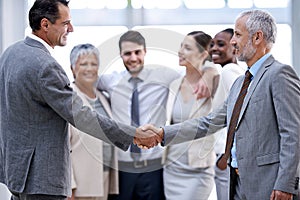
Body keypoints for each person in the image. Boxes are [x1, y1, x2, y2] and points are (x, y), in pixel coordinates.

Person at [0, 1, 159, 200]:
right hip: (42, 180)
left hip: (18, 173)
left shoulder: (10, 53)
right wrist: (133, 134)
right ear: (45, 25)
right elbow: (82, 116)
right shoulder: (46, 66)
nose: (71, 29)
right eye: (66, 23)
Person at [140, 9, 300, 200]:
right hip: (238, 184)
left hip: (269, 185)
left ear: (257, 38)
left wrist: (286, 184)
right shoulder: (240, 83)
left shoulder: (279, 74)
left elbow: (293, 133)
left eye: (238, 35)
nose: (233, 42)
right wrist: (162, 133)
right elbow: (209, 122)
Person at [97, 30, 217, 200]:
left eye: (137, 52)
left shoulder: (165, 76)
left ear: (145, 51)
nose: (133, 58)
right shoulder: (110, 81)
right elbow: (83, 78)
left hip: (154, 168)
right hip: (122, 168)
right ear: (120, 55)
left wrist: (210, 71)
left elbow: (193, 69)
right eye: (127, 54)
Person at [163, 31, 218, 200]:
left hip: (199, 169)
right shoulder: (173, 84)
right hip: (172, 167)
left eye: (187, 48)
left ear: (203, 54)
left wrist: (210, 71)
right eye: (181, 46)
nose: (180, 51)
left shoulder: (214, 81)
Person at [68, 44, 119, 200]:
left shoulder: (103, 97)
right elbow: (61, 147)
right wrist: (69, 186)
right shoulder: (67, 99)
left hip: (103, 177)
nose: (89, 68)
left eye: (94, 64)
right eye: (83, 64)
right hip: (81, 184)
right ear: (72, 68)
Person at [209, 28, 245, 200]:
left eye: (220, 44)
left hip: (225, 155)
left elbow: (241, 112)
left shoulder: (229, 71)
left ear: (234, 48)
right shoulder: (232, 71)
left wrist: (227, 154)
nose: (214, 48)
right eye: (212, 44)